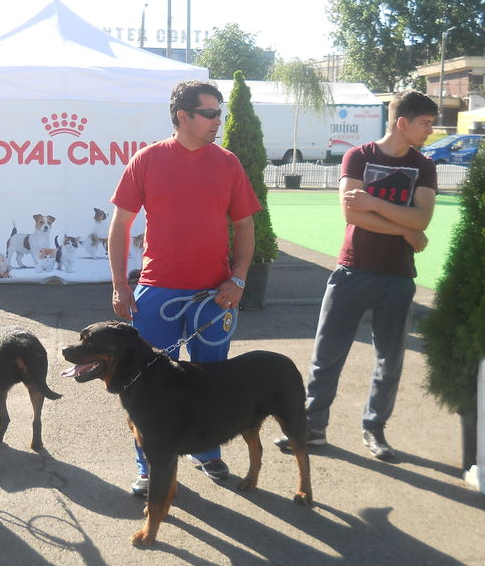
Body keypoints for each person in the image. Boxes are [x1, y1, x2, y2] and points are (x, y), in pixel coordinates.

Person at [109, 80, 262, 495]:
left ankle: (206, 451)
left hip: (216, 295)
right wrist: (121, 285)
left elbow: (245, 225)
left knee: (211, 379)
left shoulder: (227, 163)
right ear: (184, 116)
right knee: (146, 382)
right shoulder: (147, 160)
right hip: (157, 291)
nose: (218, 121)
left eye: (219, 114)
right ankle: (148, 464)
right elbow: (120, 226)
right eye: (210, 114)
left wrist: (238, 279)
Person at [275, 90, 438, 462]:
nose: (430, 130)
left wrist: (375, 204)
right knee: (327, 354)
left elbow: (422, 220)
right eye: (425, 123)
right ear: (403, 123)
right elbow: (353, 215)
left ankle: (374, 428)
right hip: (352, 270)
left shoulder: (424, 166)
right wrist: (404, 228)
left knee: (390, 359)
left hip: (398, 277)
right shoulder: (359, 156)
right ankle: (313, 427)